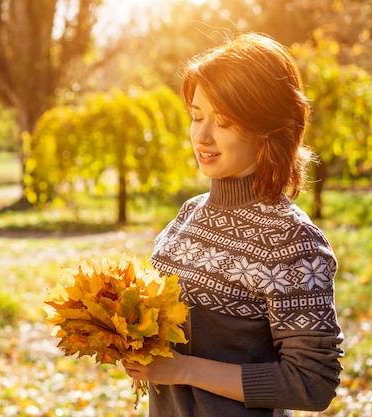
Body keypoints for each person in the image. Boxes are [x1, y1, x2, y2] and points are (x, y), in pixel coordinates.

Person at [122, 32, 344, 417]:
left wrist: (184, 370)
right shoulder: (189, 215)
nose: (201, 136)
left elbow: (313, 383)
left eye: (224, 121)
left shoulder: (291, 241)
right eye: (196, 116)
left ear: (265, 128)